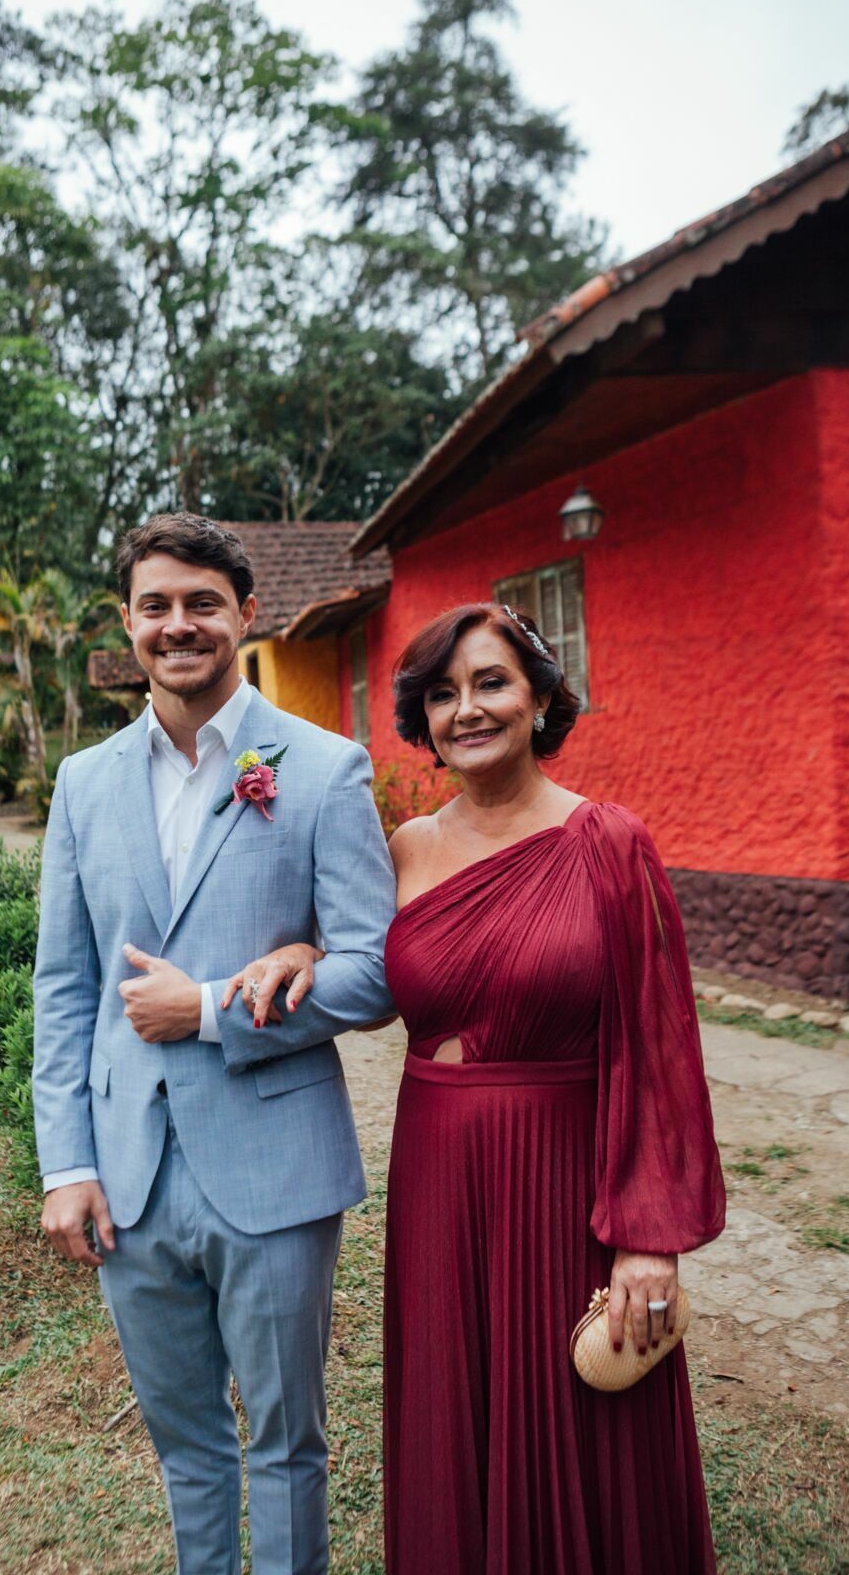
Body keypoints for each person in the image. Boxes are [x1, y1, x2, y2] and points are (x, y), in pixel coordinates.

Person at [235, 601, 726, 1574]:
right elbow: (370, 980)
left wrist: (645, 1238)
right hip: (440, 1176)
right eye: (441, 693)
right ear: (420, 716)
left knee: (581, 1417)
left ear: (541, 696)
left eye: (490, 682)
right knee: (455, 1407)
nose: (466, 708)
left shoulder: (608, 843)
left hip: (562, 1173)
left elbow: (659, 1051)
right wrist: (301, 947)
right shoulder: (407, 846)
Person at [32, 512, 396, 1575]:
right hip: (128, 1179)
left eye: (201, 602)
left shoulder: (323, 770)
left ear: (246, 611)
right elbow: (64, 987)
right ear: (129, 623)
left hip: (275, 1170)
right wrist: (67, 1161)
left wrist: (209, 1011)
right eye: (156, 605)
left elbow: (373, 972)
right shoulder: (82, 785)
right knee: (185, 1443)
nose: (177, 624)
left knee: (286, 1444)